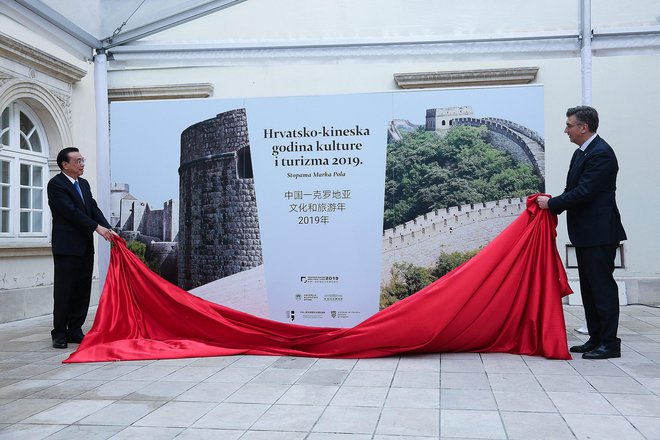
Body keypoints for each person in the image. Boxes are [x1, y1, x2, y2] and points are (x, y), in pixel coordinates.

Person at [537, 106, 626, 360]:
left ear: (583, 127)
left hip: (600, 233)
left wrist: (552, 205)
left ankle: (610, 343)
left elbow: (585, 191)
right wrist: (554, 205)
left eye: (569, 125)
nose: (566, 130)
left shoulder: (602, 154)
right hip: (586, 234)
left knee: (602, 289)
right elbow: (572, 188)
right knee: (589, 289)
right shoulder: (581, 153)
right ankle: (595, 338)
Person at [47, 147, 116, 349]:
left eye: (83, 160)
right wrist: (97, 228)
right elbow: (71, 212)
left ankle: (75, 330)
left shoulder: (83, 184)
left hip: (85, 245)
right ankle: (59, 332)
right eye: (78, 161)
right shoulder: (56, 185)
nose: (82, 164)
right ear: (65, 165)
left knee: (82, 289)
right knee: (64, 290)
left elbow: (92, 208)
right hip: (67, 247)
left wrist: (109, 229)